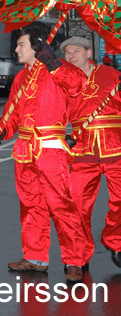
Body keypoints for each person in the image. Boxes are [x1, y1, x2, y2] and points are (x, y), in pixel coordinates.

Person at [0, 23, 86, 283]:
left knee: (61, 205)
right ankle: (35, 257)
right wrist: (0, 132)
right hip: (24, 150)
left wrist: (53, 63)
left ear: (37, 46)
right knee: (30, 206)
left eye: (21, 45)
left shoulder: (58, 70)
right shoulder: (21, 77)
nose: (17, 49)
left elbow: (77, 85)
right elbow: (13, 111)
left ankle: (74, 260)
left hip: (50, 148)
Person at [62, 36, 121, 269]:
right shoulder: (63, 80)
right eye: (67, 53)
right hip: (82, 148)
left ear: (89, 52)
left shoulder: (111, 74)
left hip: (116, 147)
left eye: (76, 51)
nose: (71, 56)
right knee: (76, 205)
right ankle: (79, 254)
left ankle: (116, 241)